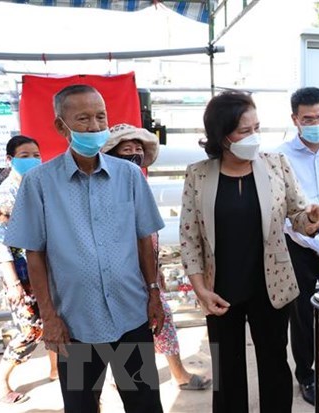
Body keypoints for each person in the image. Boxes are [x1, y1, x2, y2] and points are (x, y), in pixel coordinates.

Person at [4, 84, 166, 413]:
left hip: (131, 314)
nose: (94, 126)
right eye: (83, 119)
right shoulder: (39, 183)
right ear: (60, 127)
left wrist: (154, 293)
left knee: (144, 403)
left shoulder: (130, 175)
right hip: (74, 323)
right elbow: (35, 254)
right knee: (81, 405)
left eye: (100, 116)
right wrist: (49, 317)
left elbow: (143, 239)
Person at [179, 90, 319, 413]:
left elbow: (299, 217)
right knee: (227, 372)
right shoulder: (199, 175)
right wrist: (200, 289)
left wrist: (312, 220)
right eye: (244, 131)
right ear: (221, 136)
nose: (254, 137)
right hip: (219, 290)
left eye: (257, 128)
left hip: (271, 286)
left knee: (275, 365)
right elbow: (190, 238)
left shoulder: (276, 165)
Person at [102, 123, 211, 391]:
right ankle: (131, 378)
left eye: (138, 148)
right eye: (127, 149)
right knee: (128, 326)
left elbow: (147, 233)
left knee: (161, 320)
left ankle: (176, 374)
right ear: (113, 155)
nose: (135, 153)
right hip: (124, 273)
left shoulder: (139, 181)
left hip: (146, 270)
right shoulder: (108, 187)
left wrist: (155, 269)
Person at [275, 86, 319, 406]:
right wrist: (317, 246)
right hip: (299, 245)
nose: (316, 123)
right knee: (303, 314)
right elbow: (284, 215)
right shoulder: (280, 156)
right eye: (308, 118)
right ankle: (307, 375)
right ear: (295, 119)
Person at [0, 135, 58, 405]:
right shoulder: (4, 195)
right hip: (20, 273)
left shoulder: (39, 186)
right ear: (10, 160)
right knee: (31, 329)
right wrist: (12, 282)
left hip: (47, 268)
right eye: (24, 156)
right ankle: (0, 379)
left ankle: (56, 370)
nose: (32, 160)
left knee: (55, 317)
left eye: (35, 154)